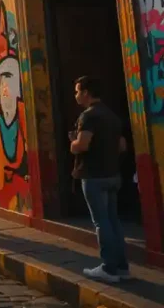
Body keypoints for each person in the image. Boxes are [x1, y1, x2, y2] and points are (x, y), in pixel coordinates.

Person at [70, 76, 130, 283]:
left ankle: (108, 268)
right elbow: (122, 146)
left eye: (78, 91)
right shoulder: (112, 116)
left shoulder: (89, 116)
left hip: (94, 175)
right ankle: (122, 267)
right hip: (113, 174)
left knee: (101, 221)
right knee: (113, 220)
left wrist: (73, 144)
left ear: (86, 93)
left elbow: (83, 145)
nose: (76, 95)